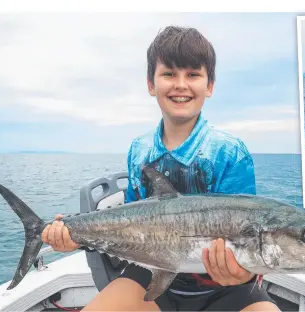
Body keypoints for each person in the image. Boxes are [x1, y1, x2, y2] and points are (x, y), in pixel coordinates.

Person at [41, 26, 279, 311]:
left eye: (193, 75)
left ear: (210, 85)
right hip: (150, 272)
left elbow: (249, 237)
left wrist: (246, 272)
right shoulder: (140, 150)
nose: (180, 84)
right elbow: (128, 223)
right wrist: (74, 238)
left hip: (223, 287)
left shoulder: (229, 151)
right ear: (151, 84)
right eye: (169, 74)